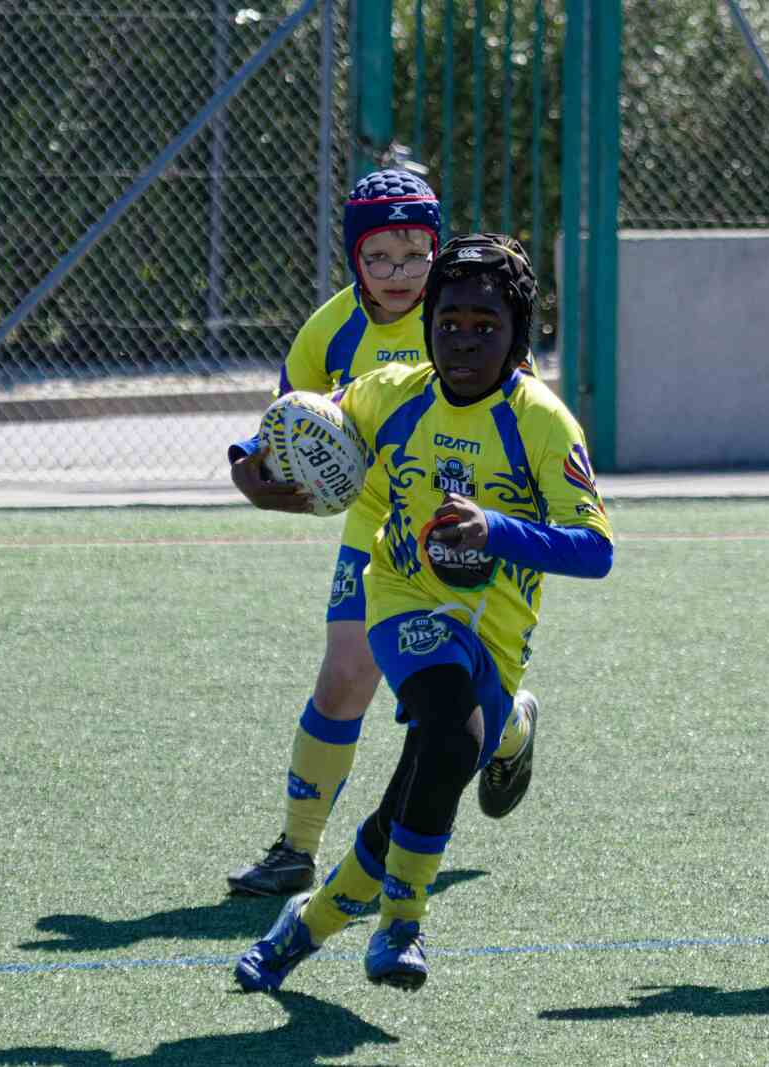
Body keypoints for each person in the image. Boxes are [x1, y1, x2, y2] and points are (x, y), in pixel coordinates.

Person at [232, 233, 614, 992]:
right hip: (402, 598)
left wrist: (497, 529)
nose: (463, 340)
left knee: (416, 790)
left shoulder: (543, 423)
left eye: (485, 325)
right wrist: (254, 466)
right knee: (448, 731)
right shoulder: (391, 392)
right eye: (448, 322)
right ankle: (402, 922)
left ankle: (305, 925)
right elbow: (305, 420)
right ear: (428, 324)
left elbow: (595, 550)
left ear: (519, 337)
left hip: (496, 635)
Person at [228, 169, 534, 896]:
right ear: (353, 256)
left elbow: (519, 403)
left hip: (463, 524)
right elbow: (289, 419)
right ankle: (296, 849)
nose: (399, 273)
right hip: (377, 525)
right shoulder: (330, 328)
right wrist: (250, 468)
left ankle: (510, 731)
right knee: (344, 678)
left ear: (436, 251)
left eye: (415, 255)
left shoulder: (462, 310)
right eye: (379, 257)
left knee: (454, 696)